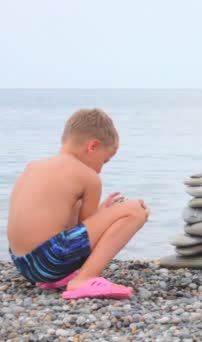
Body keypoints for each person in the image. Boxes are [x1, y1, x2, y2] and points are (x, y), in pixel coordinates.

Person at [7, 108, 150, 299]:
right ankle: (84, 280)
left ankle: (58, 279)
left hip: (24, 265)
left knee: (73, 203)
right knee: (135, 210)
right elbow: (89, 238)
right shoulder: (88, 176)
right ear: (92, 146)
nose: (100, 169)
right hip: (50, 261)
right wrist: (107, 215)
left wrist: (102, 214)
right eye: (104, 161)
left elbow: (76, 228)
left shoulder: (34, 167)